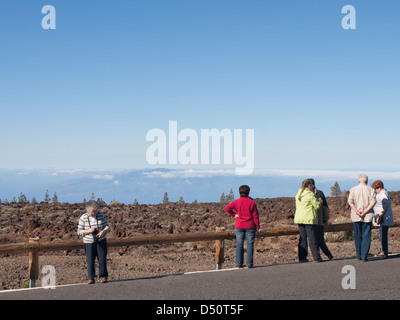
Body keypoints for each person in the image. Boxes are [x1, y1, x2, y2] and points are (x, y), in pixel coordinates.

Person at [225, 185, 260, 268]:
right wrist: (258, 227)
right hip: (250, 226)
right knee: (250, 245)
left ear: (239, 192)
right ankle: (249, 264)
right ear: (248, 192)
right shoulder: (251, 202)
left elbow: (227, 208)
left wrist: (234, 214)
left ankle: (239, 263)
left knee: (239, 244)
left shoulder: (236, 202)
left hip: (239, 226)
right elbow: (255, 216)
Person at [77, 200, 110, 284]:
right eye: (92, 212)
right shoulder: (83, 217)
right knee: (90, 260)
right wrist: (88, 231)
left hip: (101, 241)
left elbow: (107, 227)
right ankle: (91, 278)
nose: (93, 213)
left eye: (95, 211)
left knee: (102, 259)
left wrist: (103, 232)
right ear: (87, 210)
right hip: (88, 242)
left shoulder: (101, 216)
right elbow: (79, 231)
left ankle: (103, 276)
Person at [347, 174, 376, 261]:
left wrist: (357, 211)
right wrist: (365, 211)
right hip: (367, 216)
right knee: (366, 236)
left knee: (357, 235)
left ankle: (358, 255)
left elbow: (350, 202)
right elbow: (373, 202)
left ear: (359, 180)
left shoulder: (353, 189)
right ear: (366, 181)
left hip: (356, 216)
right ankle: (364, 255)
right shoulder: (371, 190)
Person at [294, 179, 323, 262]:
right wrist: (319, 202)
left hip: (300, 219)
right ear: (309, 186)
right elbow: (316, 206)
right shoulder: (310, 195)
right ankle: (317, 258)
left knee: (302, 239)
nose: (313, 187)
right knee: (312, 239)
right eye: (312, 185)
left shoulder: (298, 194)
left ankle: (302, 258)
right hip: (309, 219)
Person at [310, 179, 333, 260]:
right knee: (314, 240)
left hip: (319, 221)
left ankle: (328, 255)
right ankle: (318, 256)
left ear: (313, 185)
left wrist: (325, 219)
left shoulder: (319, 193)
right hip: (311, 221)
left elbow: (325, 207)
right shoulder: (307, 194)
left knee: (320, 240)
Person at [371, 180, 394, 258]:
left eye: (375, 189)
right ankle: (384, 250)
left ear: (379, 187)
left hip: (384, 217)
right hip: (383, 216)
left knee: (383, 234)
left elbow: (385, 205)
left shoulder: (383, 194)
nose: (375, 191)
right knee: (382, 234)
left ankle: (384, 251)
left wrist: (380, 216)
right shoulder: (382, 193)